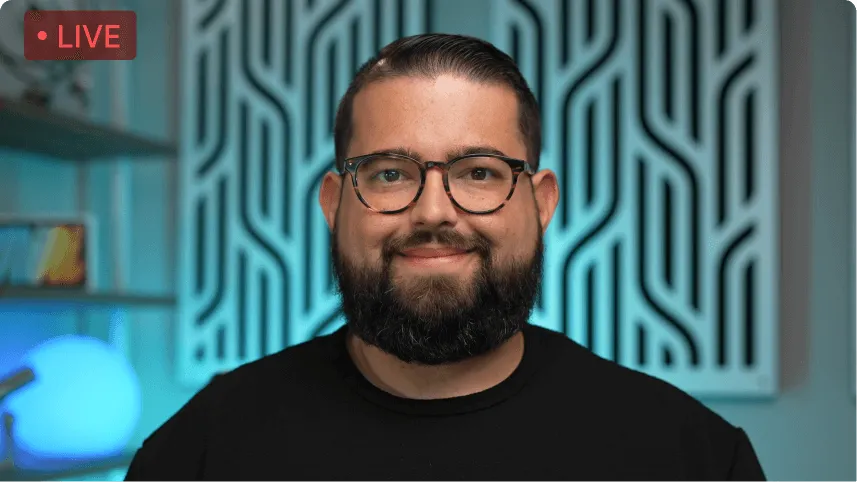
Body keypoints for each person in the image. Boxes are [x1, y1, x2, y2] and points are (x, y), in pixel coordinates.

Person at [125, 33, 766, 481]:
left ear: (541, 203)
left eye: (480, 173)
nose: (434, 212)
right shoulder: (202, 450)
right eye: (388, 174)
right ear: (334, 202)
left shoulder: (692, 457)